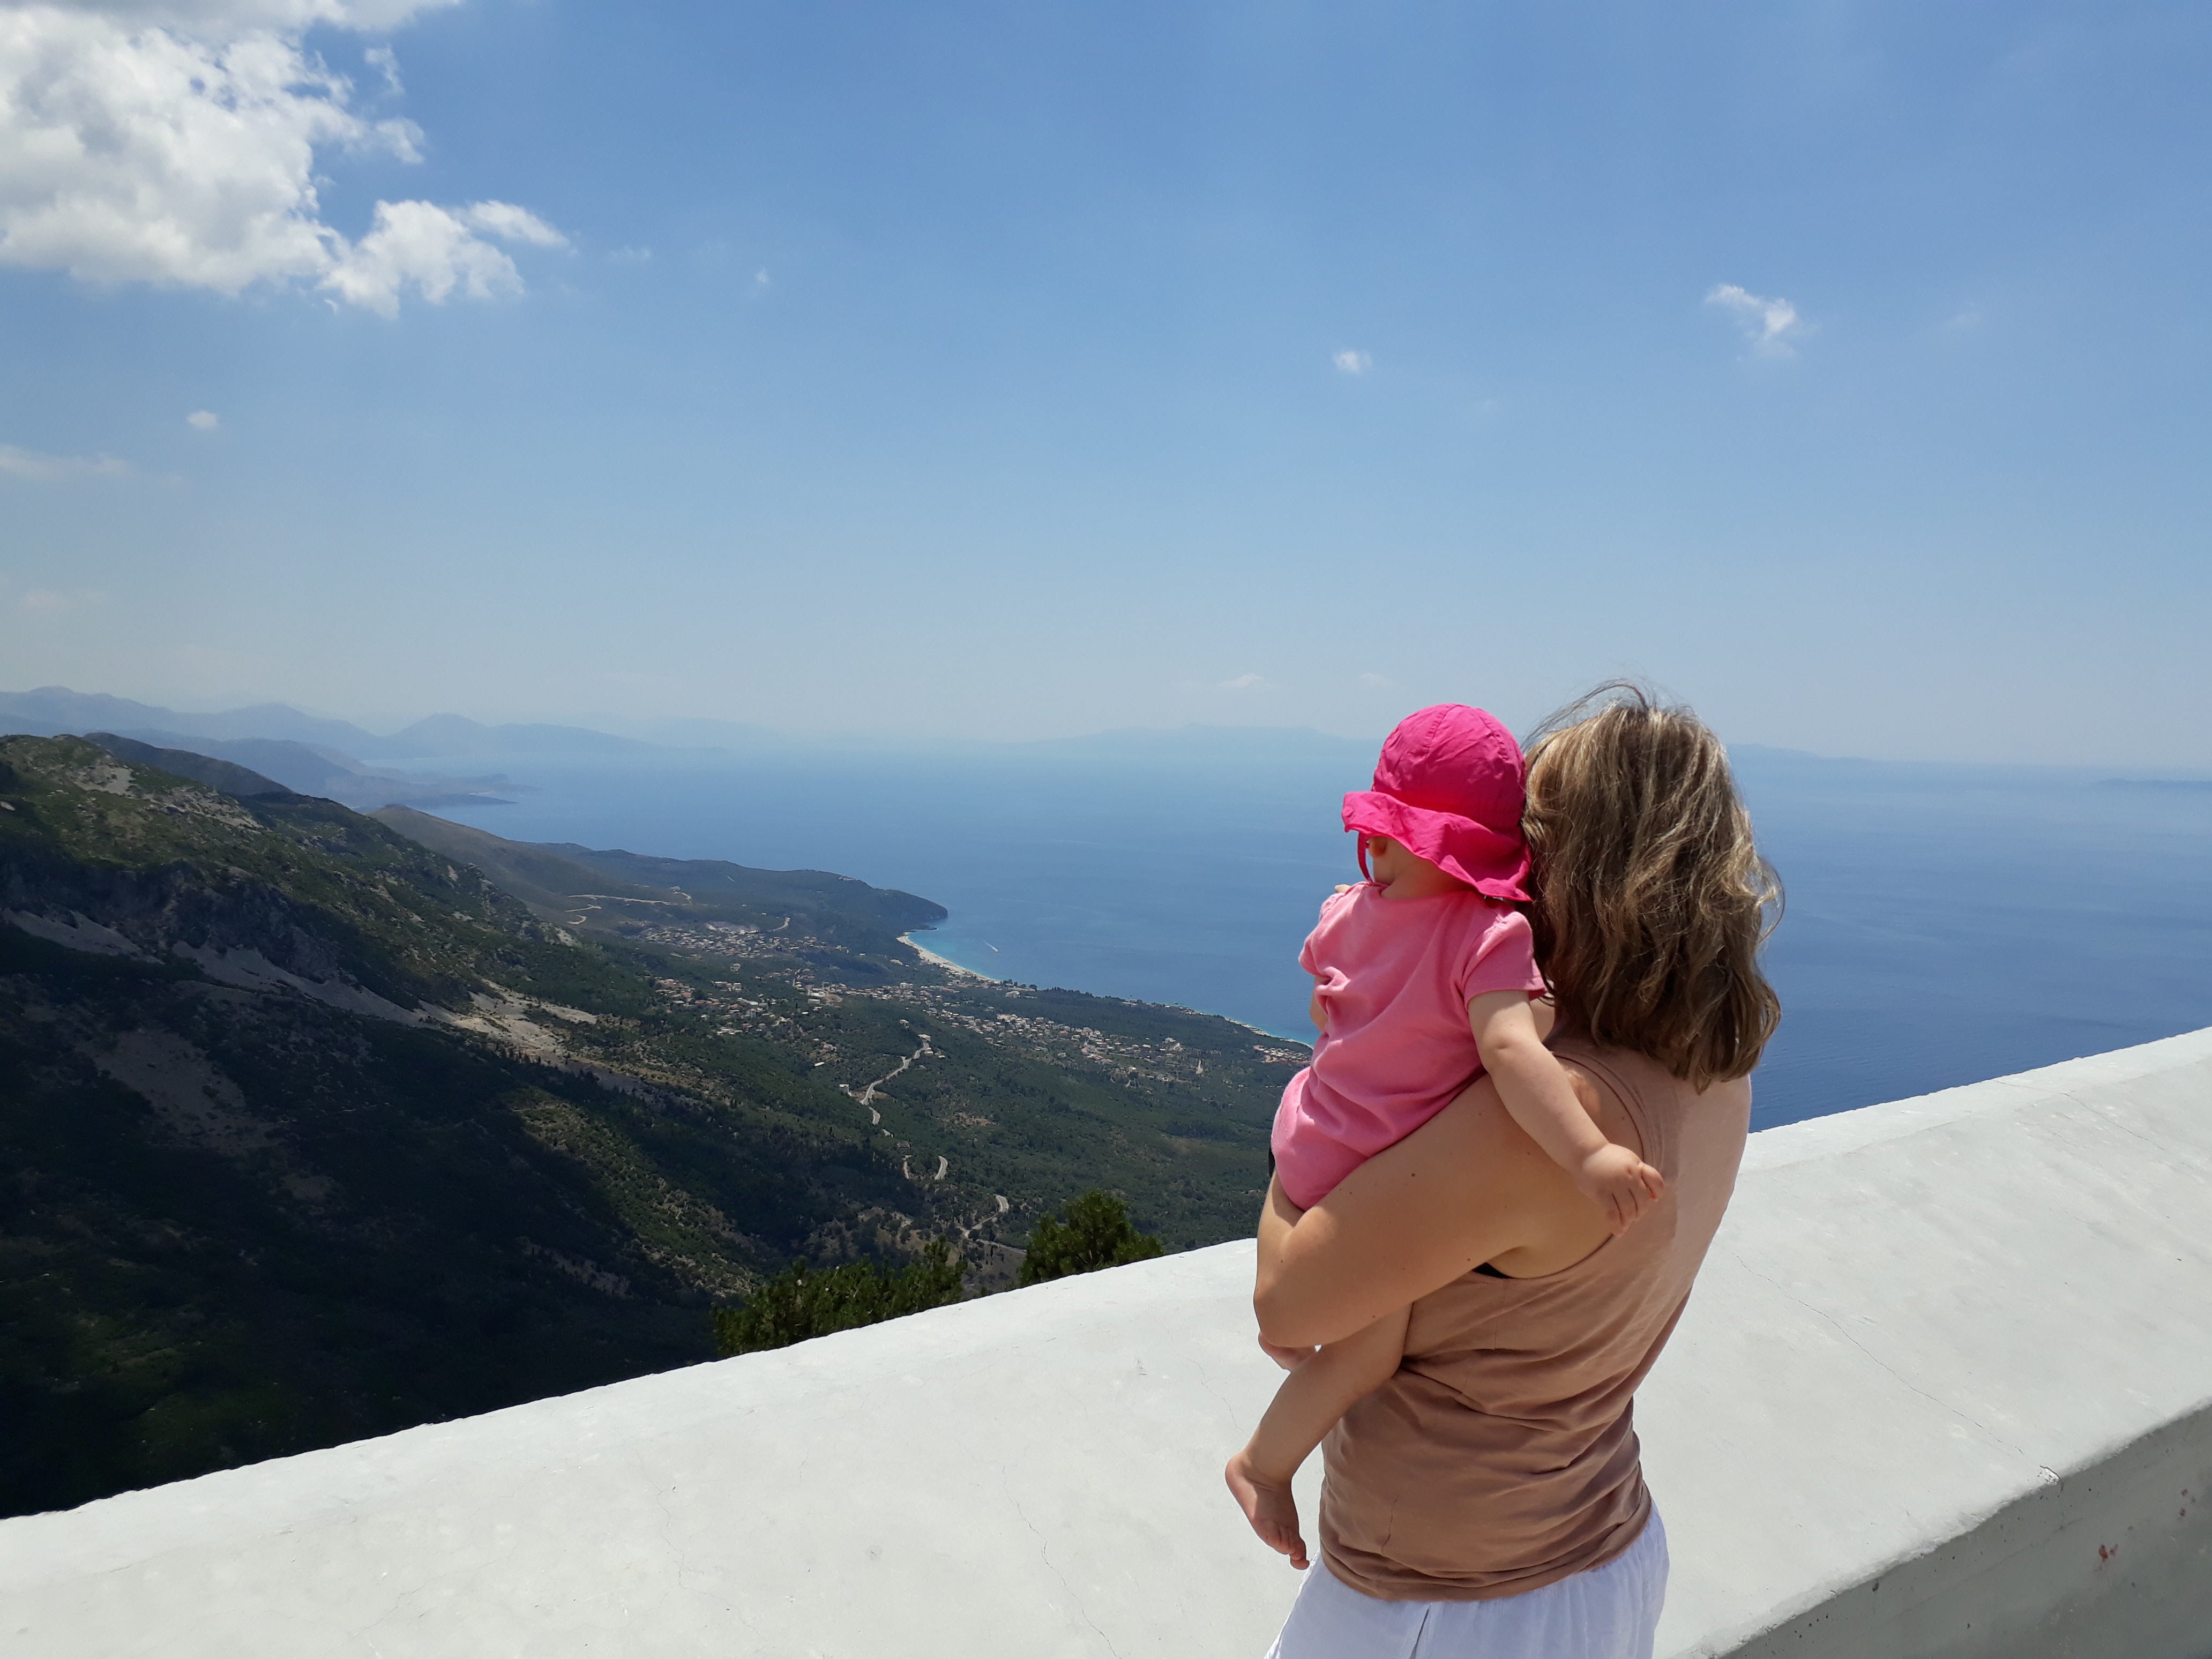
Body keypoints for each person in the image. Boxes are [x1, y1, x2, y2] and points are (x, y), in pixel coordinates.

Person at [1230, 684, 1782, 1659]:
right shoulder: (1715, 1076)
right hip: (1600, 1551)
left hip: (1448, 1609)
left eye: (1528, 838)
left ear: (1586, 870)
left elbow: (1288, 1303)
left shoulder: (1545, 1126)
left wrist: (1321, 1110)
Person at [1229, 704, 1668, 1548]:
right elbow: (1511, 1051)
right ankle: (1261, 1466)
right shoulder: (1491, 936)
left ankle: (1291, 1334)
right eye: (1375, 837)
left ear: (1441, 846)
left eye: (1394, 837)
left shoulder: (1346, 907)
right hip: (1367, 1165)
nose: (1375, 852)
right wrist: (1590, 1156)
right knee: (1367, 1357)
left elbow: (1325, 991)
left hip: (1310, 1133)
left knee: (1321, 1315)